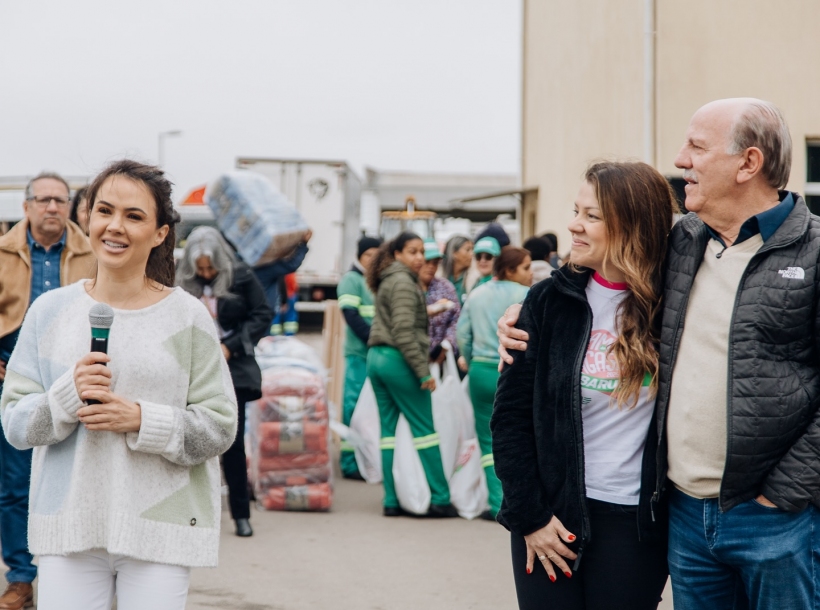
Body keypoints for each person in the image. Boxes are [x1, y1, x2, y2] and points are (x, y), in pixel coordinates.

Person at [498, 99, 818, 610]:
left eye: (696, 147)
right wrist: (517, 313)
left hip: (765, 518)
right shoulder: (685, 243)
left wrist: (784, 491)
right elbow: (514, 415)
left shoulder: (807, 251)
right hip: (682, 516)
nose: (681, 159)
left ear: (748, 163)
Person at [1, 160, 237, 610]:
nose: (115, 226)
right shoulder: (50, 312)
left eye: (134, 216)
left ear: (161, 233)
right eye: (104, 210)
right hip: (69, 528)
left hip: (159, 531)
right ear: (86, 217)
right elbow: (15, 423)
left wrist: (143, 419)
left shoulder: (187, 317)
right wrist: (68, 396)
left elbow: (220, 426)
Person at [492, 161, 675, 609]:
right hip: (550, 515)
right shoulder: (548, 301)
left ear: (632, 226)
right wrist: (530, 516)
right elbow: (510, 420)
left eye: (591, 216)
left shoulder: (674, 305)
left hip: (635, 525)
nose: (573, 225)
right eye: (576, 211)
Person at [0, 171, 94, 610]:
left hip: (79, 373)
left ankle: (82, 572)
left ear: (70, 206)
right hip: (12, 373)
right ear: (27, 207)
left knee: (78, 478)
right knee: (16, 483)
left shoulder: (92, 252)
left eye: (60, 200)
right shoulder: (3, 253)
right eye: (44, 200)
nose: (52, 207)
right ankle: (21, 577)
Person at [176, 225, 273, 538]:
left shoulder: (241, 276)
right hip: (191, 370)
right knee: (189, 440)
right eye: (200, 268)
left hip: (234, 369)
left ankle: (241, 515)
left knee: (231, 443)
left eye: (210, 267)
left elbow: (262, 313)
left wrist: (230, 345)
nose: (205, 273)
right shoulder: (181, 283)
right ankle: (190, 512)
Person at [366, 232, 457, 518]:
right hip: (398, 361)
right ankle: (440, 498)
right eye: (412, 252)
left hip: (378, 359)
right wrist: (422, 373)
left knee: (388, 433)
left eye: (421, 252)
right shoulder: (404, 283)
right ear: (397, 255)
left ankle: (391, 500)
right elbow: (404, 331)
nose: (419, 258)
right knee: (425, 430)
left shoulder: (389, 279)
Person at [456, 246, 531, 522]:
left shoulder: (477, 293)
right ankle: (513, 500)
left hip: (480, 372)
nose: (530, 273)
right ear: (510, 270)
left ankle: (495, 501)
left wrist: (470, 359)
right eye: (525, 267)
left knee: (487, 439)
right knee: (518, 436)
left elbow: (462, 334)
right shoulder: (525, 295)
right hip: (512, 370)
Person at [337, 235, 382, 480]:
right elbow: (352, 316)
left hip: (376, 354)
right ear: (359, 256)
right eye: (369, 255)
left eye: (377, 254)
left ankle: (368, 459)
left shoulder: (377, 280)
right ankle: (350, 462)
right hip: (359, 355)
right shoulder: (352, 280)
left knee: (372, 411)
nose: (373, 259)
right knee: (353, 407)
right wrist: (374, 338)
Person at [252, 230, 311, 327]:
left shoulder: (245, 265)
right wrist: (303, 244)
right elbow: (291, 265)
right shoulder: (268, 267)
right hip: (263, 313)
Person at [418, 239, 461, 367]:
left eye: (435, 263)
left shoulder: (445, 287)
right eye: (427, 262)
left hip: (441, 359)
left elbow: (456, 319)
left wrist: (446, 344)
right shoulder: (407, 287)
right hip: (413, 357)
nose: (431, 267)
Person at [441, 235, 473, 304]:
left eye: (472, 250)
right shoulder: (440, 277)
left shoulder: (473, 279)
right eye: (467, 250)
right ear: (454, 253)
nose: (472, 254)